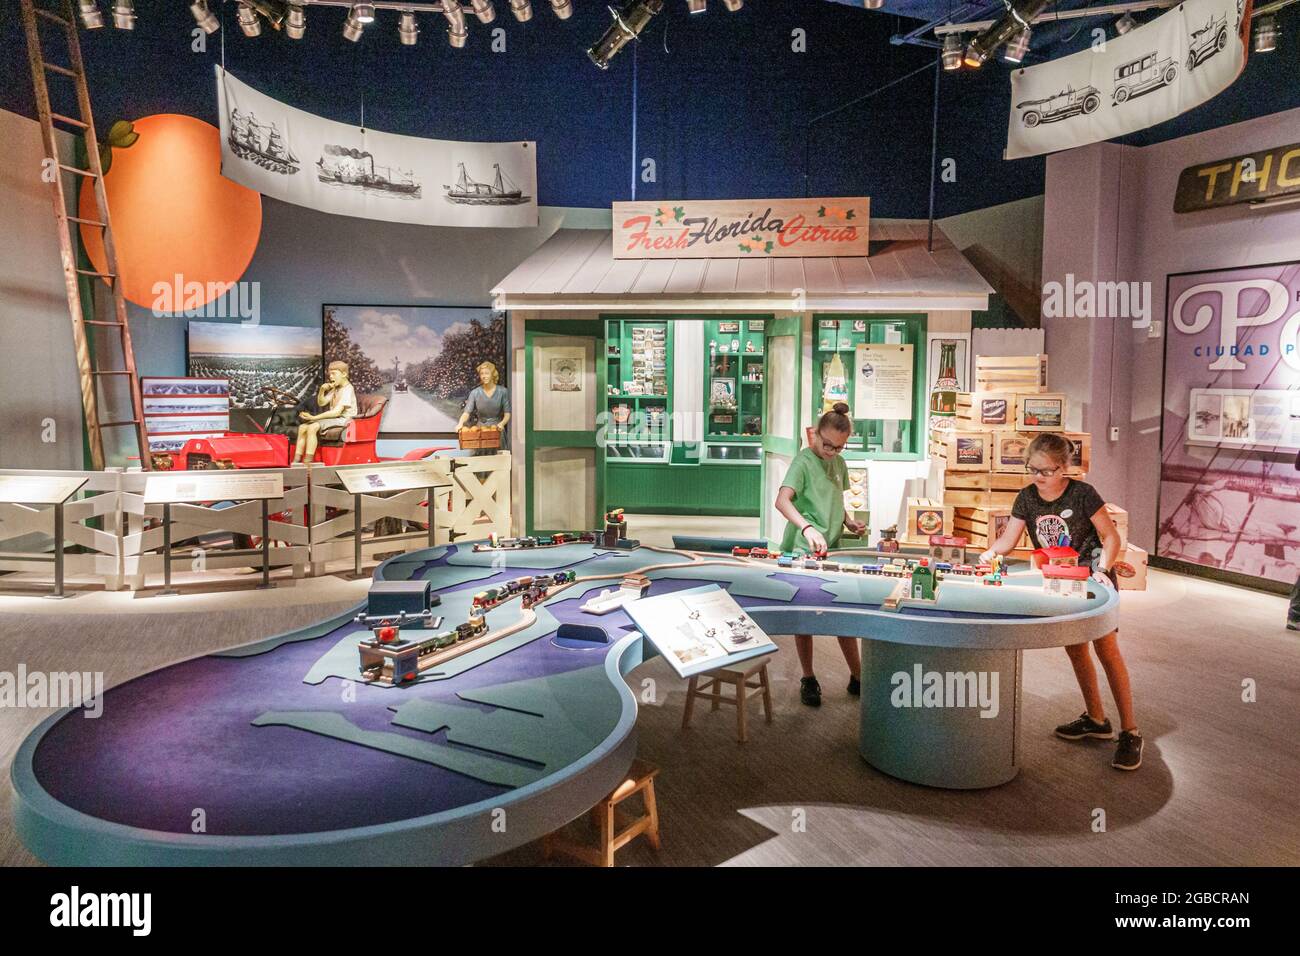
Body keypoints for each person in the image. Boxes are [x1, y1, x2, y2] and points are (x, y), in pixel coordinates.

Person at [980, 432, 1142, 771]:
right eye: (1032, 469)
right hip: (1059, 580)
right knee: (1075, 647)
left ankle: (1131, 731)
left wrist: (1104, 569)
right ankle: (1097, 720)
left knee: (1107, 649)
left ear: (1064, 468)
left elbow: (1110, 537)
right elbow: (1009, 539)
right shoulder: (1026, 497)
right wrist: (988, 553)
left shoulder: (1083, 494)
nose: (1038, 477)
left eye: (1045, 471)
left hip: (1094, 577)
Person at [773, 402, 868, 707]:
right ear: (814, 434)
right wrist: (806, 528)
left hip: (833, 545)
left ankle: (857, 676)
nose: (831, 451)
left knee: (843, 611)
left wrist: (849, 520)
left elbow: (837, 500)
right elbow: (782, 501)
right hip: (805, 546)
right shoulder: (802, 462)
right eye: (826, 444)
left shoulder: (838, 464)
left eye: (839, 447)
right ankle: (808, 677)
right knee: (806, 616)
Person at [292, 361, 357, 464]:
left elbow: (336, 412)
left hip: (345, 420)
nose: (331, 377)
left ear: (344, 374)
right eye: (330, 374)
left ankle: (308, 460)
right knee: (302, 427)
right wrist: (322, 390)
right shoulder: (336, 388)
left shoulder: (348, 389)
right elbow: (322, 403)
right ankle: (296, 460)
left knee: (312, 427)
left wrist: (314, 418)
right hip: (336, 418)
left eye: (334, 374)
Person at [456, 361, 510, 455]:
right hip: (480, 430)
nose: (484, 376)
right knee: (479, 462)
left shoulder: (503, 392)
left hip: (497, 430)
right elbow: (467, 412)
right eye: (482, 374)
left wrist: (502, 424)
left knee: (499, 463)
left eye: (487, 373)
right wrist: (460, 423)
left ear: (493, 374)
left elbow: (507, 413)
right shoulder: (475, 393)